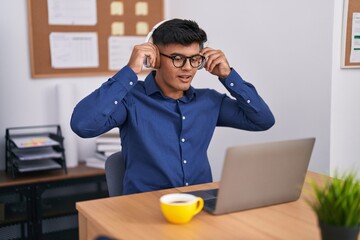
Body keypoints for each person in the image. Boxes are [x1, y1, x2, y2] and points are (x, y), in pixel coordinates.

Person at [70, 19, 275, 195]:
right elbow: (83, 125)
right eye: (177, 59)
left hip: (200, 206)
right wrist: (130, 70)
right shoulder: (131, 99)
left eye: (194, 59)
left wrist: (228, 75)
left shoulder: (210, 101)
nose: (187, 68)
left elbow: (263, 120)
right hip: (144, 209)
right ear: (155, 59)